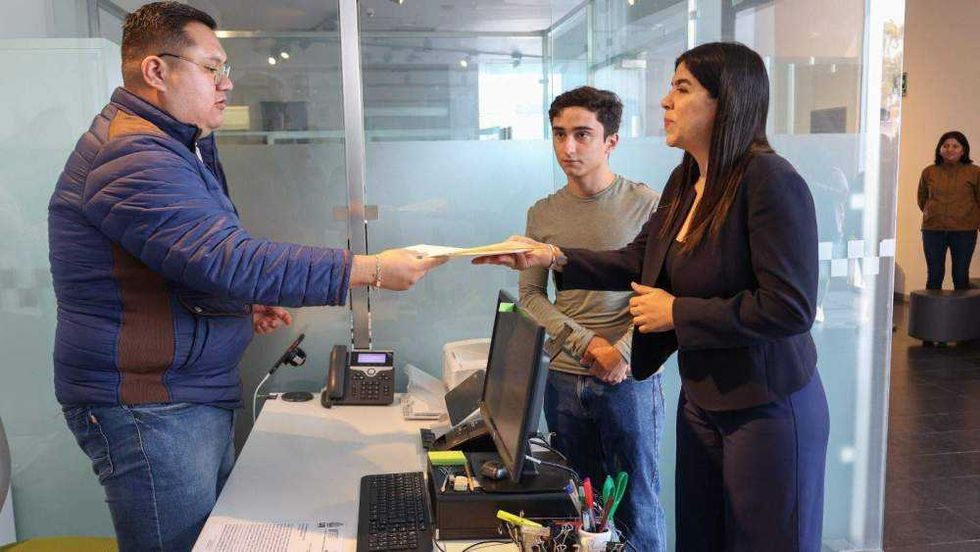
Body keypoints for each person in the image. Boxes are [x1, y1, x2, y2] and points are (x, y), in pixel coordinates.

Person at [47, 3, 444, 551]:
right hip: (151, 403)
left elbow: (184, 260)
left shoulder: (175, 145)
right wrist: (368, 269)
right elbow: (228, 259)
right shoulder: (135, 154)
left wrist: (239, 303)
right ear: (156, 72)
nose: (227, 83)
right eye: (212, 68)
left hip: (179, 392)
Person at [475, 42, 829, 552]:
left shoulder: (770, 180)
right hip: (704, 397)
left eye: (681, 88)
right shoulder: (687, 180)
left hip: (766, 403)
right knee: (700, 537)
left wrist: (676, 312)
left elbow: (789, 308)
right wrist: (548, 255)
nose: (665, 101)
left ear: (725, 100)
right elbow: (636, 261)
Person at [519, 86, 665, 550]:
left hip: (630, 377)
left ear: (611, 141)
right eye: (559, 134)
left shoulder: (648, 204)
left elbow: (665, 292)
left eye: (582, 134)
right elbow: (531, 296)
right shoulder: (542, 212)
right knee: (575, 511)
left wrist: (621, 352)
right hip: (563, 379)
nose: (568, 148)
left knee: (636, 507)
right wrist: (587, 344)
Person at [917, 131, 980, 291]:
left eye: (955, 146)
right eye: (945, 146)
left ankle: (963, 315)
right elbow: (922, 199)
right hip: (933, 231)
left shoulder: (975, 172)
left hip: (964, 231)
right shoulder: (929, 172)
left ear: (963, 150)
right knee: (934, 274)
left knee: (960, 275)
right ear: (939, 149)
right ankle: (931, 315)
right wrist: (931, 214)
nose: (950, 149)